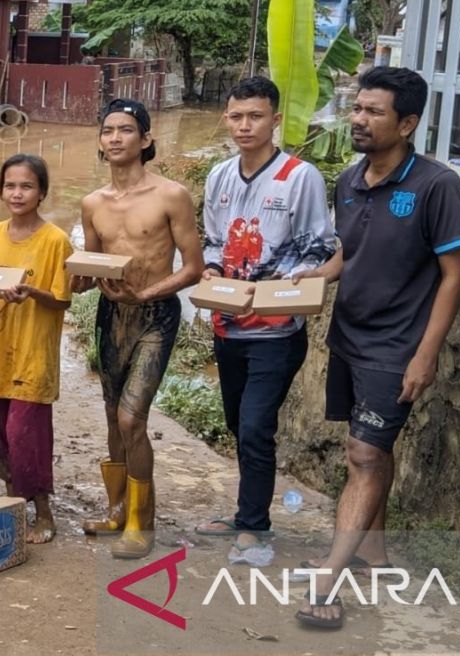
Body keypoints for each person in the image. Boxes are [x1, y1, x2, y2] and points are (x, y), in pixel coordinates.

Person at [292, 67, 460, 630]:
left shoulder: (436, 186)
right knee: (370, 448)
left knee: (364, 456)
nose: (359, 120)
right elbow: (350, 250)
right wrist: (315, 278)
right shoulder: (349, 180)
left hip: (397, 348)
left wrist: (425, 355)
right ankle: (374, 555)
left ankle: (330, 579)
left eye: (373, 112)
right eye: (357, 109)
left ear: (408, 122)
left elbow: (455, 275)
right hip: (349, 336)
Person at [192, 78, 336, 563]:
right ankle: (245, 511)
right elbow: (213, 239)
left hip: (276, 330)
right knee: (238, 422)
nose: (244, 125)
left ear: (275, 119)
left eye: (255, 116)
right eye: (236, 116)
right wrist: (213, 269)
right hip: (227, 325)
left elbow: (318, 250)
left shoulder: (301, 177)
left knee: (256, 427)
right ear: (226, 118)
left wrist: (270, 288)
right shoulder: (219, 176)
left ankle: (255, 524)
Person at [78, 98, 203, 559]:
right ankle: (116, 508)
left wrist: (146, 295)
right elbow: (91, 268)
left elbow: (193, 268)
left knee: (133, 418)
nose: (114, 138)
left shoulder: (171, 195)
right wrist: (75, 280)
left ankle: (141, 521)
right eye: (108, 130)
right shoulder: (93, 203)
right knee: (113, 416)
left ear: (146, 139)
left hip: (155, 315)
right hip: (111, 316)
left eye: (126, 129)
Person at [0, 154, 73, 544]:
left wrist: (31, 292)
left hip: (33, 350)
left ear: (42, 192)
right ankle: (15, 502)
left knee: (26, 434)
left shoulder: (55, 241)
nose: (17, 193)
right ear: (0, 190)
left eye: (26, 186)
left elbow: (62, 301)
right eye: (10, 186)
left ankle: (44, 512)